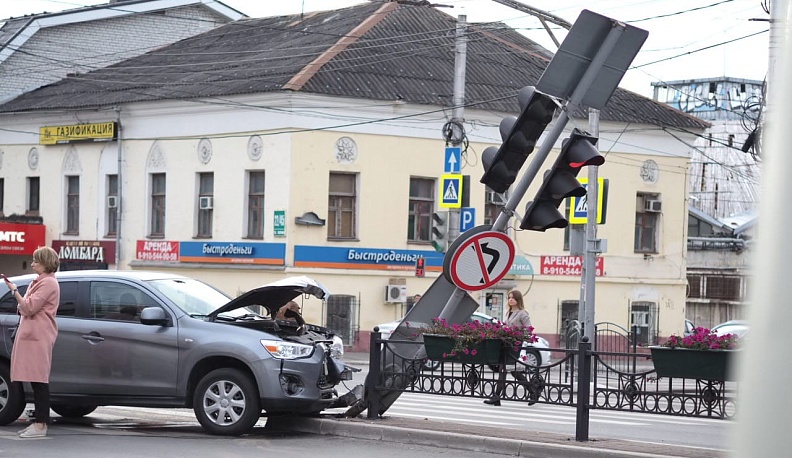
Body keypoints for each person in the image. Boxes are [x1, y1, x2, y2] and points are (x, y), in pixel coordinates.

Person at [2, 246, 61, 438]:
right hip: (33, 335)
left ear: (45, 263)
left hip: (39, 336)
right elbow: (25, 308)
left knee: (39, 380)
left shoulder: (48, 283)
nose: (33, 264)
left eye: (36, 261)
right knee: (35, 380)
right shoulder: (40, 281)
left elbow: (28, 308)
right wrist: (21, 300)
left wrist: (14, 291)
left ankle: (41, 425)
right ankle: (38, 424)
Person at [484, 289, 535, 406]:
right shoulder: (508, 312)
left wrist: (517, 335)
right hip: (506, 345)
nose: (511, 300)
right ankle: (533, 392)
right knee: (513, 372)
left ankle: (497, 397)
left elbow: (528, 330)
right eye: (509, 298)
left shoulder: (522, 313)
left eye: (513, 298)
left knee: (505, 370)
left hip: (515, 346)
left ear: (518, 300)